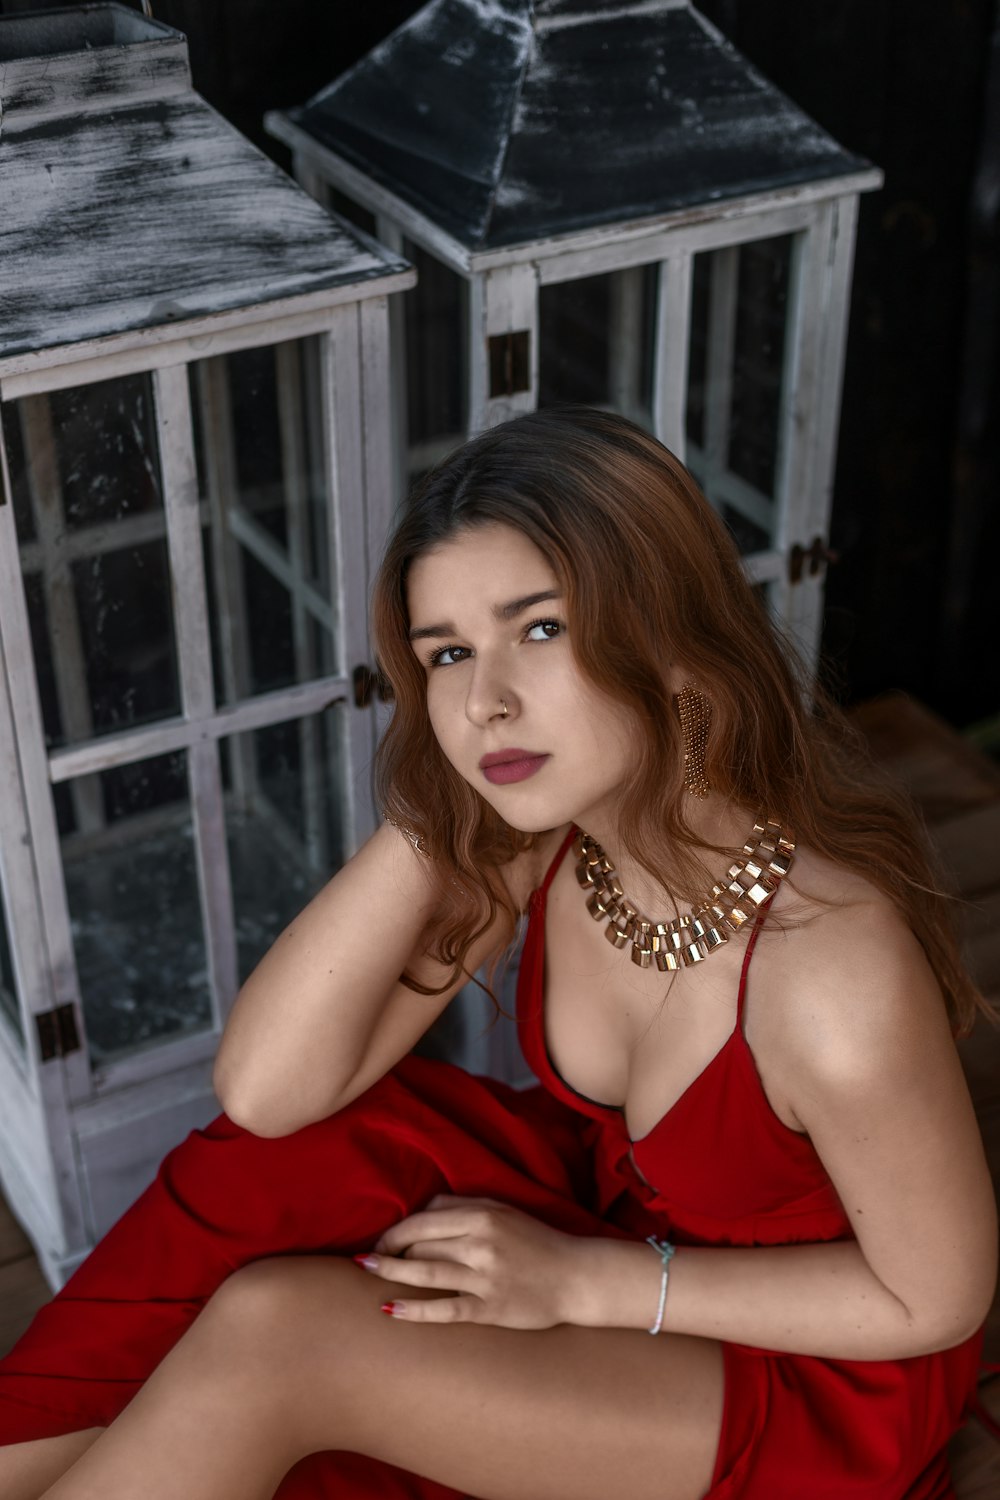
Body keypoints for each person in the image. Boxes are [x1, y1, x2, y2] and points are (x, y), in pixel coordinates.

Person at [0, 406, 995, 1500]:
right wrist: (449, 797)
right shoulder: (554, 840)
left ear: (667, 631)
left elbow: (930, 1302)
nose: (485, 700)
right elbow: (269, 1091)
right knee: (275, 1167)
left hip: (809, 1375)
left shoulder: (833, 967)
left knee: (282, 1330)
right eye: (448, 654)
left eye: (538, 629)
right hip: (616, 1242)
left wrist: (588, 1282)